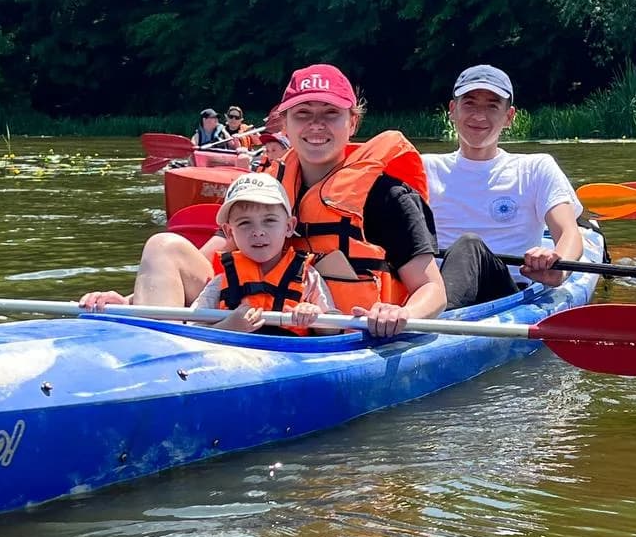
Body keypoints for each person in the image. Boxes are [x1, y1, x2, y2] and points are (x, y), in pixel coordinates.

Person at [81, 63, 446, 337]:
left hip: (338, 331)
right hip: (250, 321)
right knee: (163, 246)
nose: (316, 125)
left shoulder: (389, 196)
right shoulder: (262, 186)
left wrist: (400, 315)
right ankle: (159, 348)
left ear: (352, 123)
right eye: (303, 114)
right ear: (284, 125)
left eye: (330, 114)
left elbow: (432, 289)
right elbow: (214, 261)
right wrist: (134, 299)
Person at [423, 65, 584, 308]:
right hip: (434, 289)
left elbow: (570, 234)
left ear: (509, 117)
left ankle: (427, 319)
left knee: (469, 246)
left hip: (506, 294)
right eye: (469, 104)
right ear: (453, 111)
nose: (479, 116)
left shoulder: (536, 168)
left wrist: (558, 265)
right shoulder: (424, 168)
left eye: (492, 106)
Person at [190, 172, 335, 334]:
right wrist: (227, 327)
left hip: (290, 355)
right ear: (229, 231)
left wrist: (313, 314)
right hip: (237, 354)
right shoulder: (221, 281)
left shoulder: (309, 277)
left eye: (269, 220)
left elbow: (333, 329)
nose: (258, 232)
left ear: (289, 227)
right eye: (245, 223)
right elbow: (193, 329)